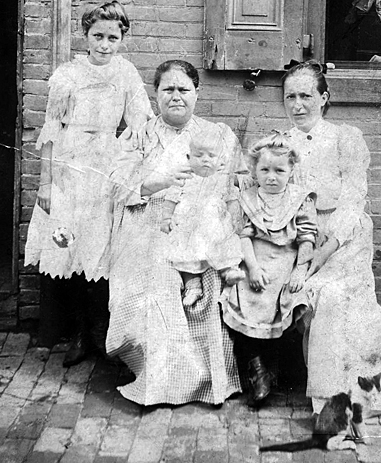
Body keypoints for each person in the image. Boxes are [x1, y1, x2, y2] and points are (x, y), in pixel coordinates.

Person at [106, 60, 248, 406]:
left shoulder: (217, 135)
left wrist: (228, 227)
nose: (176, 96)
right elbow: (118, 188)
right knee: (153, 274)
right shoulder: (139, 135)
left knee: (201, 265)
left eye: (184, 89)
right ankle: (158, 378)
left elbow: (236, 185)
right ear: (155, 95)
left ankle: (201, 377)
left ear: (197, 93)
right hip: (148, 218)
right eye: (167, 89)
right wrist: (163, 181)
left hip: (201, 222)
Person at [24, 1, 153, 367]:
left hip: (105, 168)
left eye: (113, 37)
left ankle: (99, 330)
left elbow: (141, 125)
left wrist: (131, 166)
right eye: (98, 36)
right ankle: (77, 332)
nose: (104, 45)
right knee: (67, 247)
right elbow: (49, 133)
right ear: (86, 35)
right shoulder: (67, 76)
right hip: (69, 166)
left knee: (99, 249)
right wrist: (46, 183)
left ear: (122, 39)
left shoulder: (126, 74)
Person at [281, 60, 381, 415]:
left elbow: (353, 199)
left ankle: (336, 403)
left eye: (306, 95)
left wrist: (326, 249)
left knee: (335, 300)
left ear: (324, 98)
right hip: (299, 236)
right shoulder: (281, 143)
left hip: (344, 239)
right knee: (308, 302)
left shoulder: (345, 138)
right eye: (290, 97)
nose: (298, 105)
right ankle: (328, 398)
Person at [222, 131, 317, 404]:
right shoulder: (248, 198)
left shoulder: (300, 198)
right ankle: (257, 368)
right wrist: (252, 268)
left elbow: (306, 238)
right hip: (254, 257)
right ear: (254, 170)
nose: (271, 177)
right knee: (247, 293)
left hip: (286, 259)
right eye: (264, 170)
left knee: (284, 297)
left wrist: (299, 270)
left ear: (291, 170)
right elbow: (243, 236)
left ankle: (271, 368)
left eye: (279, 170)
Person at [160, 128, 245, 308]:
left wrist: (235, 219)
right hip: (189, 226)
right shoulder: (184, 177)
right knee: (183, 253)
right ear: (189, 158)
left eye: (211, 156)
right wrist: (166, 218)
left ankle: (229, 270)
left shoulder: (223, 179)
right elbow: (171, 198)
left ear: (220, 160)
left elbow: (231, 199)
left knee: (225, 242)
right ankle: (192, 286)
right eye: (199, 155)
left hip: (214, 224)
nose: (205, 159)